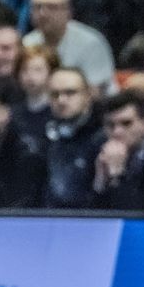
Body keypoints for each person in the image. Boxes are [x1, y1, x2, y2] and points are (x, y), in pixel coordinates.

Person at [24, 0, 116, 94]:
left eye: (51, 7)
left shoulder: (90, 42)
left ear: (67, 11)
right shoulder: (27, 43)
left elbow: (96, 90)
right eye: (37, 7)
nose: (43, 13)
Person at [91, 91, 144, 210]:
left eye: (126, 123)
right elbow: (88, 212)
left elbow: (141, 212)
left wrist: (117, 175)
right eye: (110, 125)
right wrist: (101, 182)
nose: (117, 132)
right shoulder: (98, 147)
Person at [42, 66, 103, 208]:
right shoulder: (42, 137)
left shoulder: (103, 137)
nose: (61, 100)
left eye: (70, 93)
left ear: (88, 95)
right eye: (55, 94)